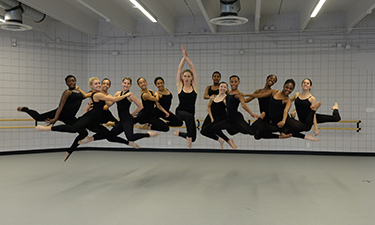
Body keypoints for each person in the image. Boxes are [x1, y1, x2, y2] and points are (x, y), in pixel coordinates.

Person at [34, 77, 134, 161]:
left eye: (99, 83)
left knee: (109, 135)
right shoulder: (98, 94)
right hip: (89, 118)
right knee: (74, 128)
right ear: (91, 86)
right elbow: (114, 99)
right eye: (96, 84)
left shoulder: (96, 94)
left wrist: (80, 90)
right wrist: (126, 94)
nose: (99, 85)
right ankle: (47, 128)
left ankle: (128, 143)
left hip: (95, 121)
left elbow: (86, 95)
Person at [17, 75, 90, 155]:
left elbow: (85, 96)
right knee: (38, 117)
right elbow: (60, 106)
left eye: (73, 81)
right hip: (60, 113)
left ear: (75, 81)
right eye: (69, 81)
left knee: (83, 133)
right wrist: (55, 118)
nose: (71, 82)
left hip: (70, 117)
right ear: (66, 83)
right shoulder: (67, 92)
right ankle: (25, 109)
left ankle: (70, 150)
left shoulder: (79, 92)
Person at [79, 77, 158, 148]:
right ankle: (91, 138)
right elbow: (109, 104)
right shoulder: (117, 94)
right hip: (121, 121)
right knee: (110, 137)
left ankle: (148, 134)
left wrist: (132, 114)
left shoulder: (130, 95)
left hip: (128, 120)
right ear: (122, 83)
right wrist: (102, 97)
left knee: (130, 137)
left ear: (130, 85)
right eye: (125, 83)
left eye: (128, 83)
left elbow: (141, 106)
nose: (126, 85)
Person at [254, 79, 321, 141]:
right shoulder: (274, 92)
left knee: (306, 127)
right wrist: (246, 96)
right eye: (287, 87)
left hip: (285, 121)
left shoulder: (287, 100)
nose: (288, 90)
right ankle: (305, 137)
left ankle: (313, 110)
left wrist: (283, 121)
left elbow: (285, 111)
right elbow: (262, 97)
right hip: (275, 122)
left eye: (291, 89)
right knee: (257, 135)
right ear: (283, 86)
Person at [210, 75, 261, 149]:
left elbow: (243, 105)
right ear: (230, 83)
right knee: (214, 129)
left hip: (237, 118)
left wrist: (251, 113)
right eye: (232, 82)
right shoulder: (229, 92)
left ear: (239, 82)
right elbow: (222, 92)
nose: (233, 83)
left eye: (235, 82)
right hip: (230, 119)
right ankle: (228, 140)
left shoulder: (238, 95)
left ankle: (261, 119)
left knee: (252, 132)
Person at [174, 46, 198, 148]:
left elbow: (193, 68)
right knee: (188, 118)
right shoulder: (180, 86)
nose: (187, 78)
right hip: (180, 112)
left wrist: (187, 58)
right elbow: (179, 69)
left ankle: (180, 134)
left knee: (194, 137)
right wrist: (184, 57)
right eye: (185, 76)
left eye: (189, 76)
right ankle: (188, 137)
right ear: (182, 78)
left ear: (191, 78)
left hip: (191, 114)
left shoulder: (194, 87)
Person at [200, 82, 231, 149]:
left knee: (213, 128)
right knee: (203, 131)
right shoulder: (213, 97)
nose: (223, 88)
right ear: (218, 88)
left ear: (226, 89)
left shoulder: (226, 99)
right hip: (212, 114)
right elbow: (208, 107)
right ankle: (220, 139)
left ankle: (227, 139)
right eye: (221, 86)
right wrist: (211, 117)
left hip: (220, 117)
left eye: (225, 87)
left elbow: (229, 109)